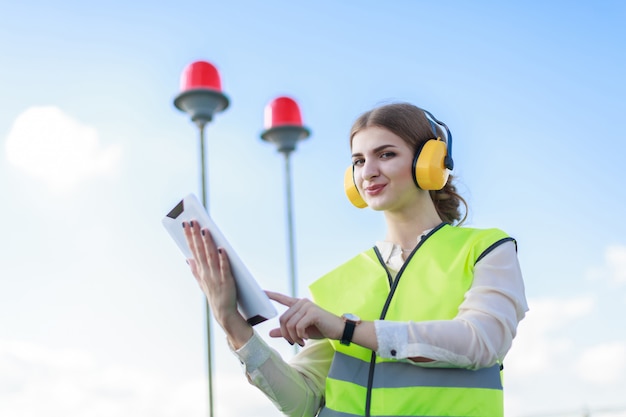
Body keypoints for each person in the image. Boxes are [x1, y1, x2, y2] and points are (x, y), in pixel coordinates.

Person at [182, 102, 528, 417]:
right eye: (359, 161)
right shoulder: (339, 283)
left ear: (430, 162)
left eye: (386, 154)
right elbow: (302, 401)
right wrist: (231, 323)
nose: (368, 172)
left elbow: (481, 341)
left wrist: (346, 329)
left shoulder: (486, 249)